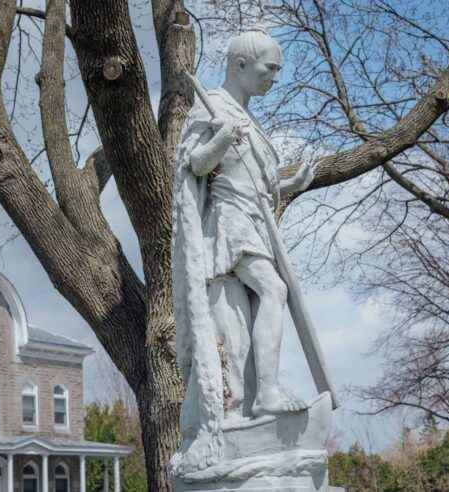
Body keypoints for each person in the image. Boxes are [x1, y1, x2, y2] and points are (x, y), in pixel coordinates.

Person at [170, 25, 315, 473]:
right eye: (270, 69)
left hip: (253, 220)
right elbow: (193, 164)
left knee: (243, 322)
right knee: (274, 292)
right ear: (240, 65)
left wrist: (289, 184)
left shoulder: (246, 115)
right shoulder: (209, 106)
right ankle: (268, 392)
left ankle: (256, 397)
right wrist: (219, 138)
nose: (275, 77)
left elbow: (254, 180)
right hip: (228, 225)